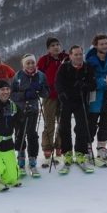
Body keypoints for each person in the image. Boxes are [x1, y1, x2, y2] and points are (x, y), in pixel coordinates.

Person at [55, 45, 97, 165]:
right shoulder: (64, 67)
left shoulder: (87, 67)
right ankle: (67, 152)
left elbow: (93, 84)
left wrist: (84, 85)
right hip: (66, 101)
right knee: (64, 127)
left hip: (81, 102)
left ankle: (80, 152)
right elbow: (57, 83)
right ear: (70, 56)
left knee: (82, 127)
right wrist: (62, 94)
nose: (78, 57)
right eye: (76, 54)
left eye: (80, 54)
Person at [85, 35, 107, 163]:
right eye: (101, 44)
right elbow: (89, 78)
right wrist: (102, 82)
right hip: (94, 95)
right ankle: (87, 147)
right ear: (95, 45)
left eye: (106, 43)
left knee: (106, 123)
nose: (104, 46)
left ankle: (102, 147)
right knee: (91, 123)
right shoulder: (89, 59)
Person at [10, 54, 49, 173]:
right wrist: (24, 94)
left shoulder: (41, 76)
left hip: (33, 109)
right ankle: (21, 158)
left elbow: (46, 93)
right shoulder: (18, 76)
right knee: (19, 133)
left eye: (32, 62)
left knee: (31, 134)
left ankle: (32, 159)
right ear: (23, 65)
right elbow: (12, 94)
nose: (31, 65)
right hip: (20, 109)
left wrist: (40, 90)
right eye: (28, 63)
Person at [37, 37, 69, 165]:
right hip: (49, 96)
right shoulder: (44, 60)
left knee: (62, 122)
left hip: (64, 95)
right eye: (52, 45)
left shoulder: (66, 57)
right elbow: (38, 75)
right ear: (48, 49)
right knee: (49, 122)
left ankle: (59, 145)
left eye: (57, 44)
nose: (56, 47)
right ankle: (47, 147)